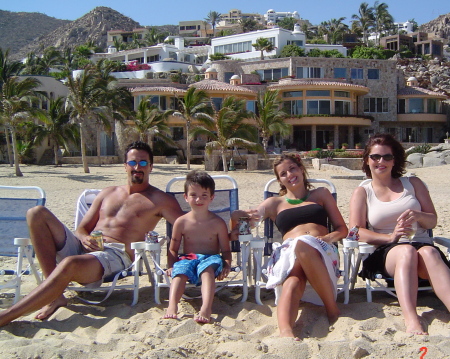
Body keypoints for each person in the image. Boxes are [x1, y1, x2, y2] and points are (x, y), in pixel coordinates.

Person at [0, 141, 183, 327]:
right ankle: (56, 297)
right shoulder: (107, 193)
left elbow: (186, 226)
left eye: (143, 163)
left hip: (115, 255)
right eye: (133, 162)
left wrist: (181, 258)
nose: (138, 167)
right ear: (125, 166)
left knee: (70, 263)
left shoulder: (161, 200)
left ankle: (6, 316)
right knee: (36, 213)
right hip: (84, 247)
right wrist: (84, 237)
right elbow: (81, 229)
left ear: (151, 167)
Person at [231, 153, 347, 340]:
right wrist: (236, 216)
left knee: (303, 244)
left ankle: (332, 309)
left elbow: (343, 229)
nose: (290, 174)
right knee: (293, 280)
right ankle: (286, 331)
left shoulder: (321, 194)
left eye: (292, 168)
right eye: (283, 173)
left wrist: (327, 238)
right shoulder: (274, 203)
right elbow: (244, 226)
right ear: (279, 180)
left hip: (321, 248)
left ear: (301, 169)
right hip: (289, 251)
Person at [349, 133, 450, 335]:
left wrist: (418, 215)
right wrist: (390, 237)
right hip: (388, 252)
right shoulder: (363, 192)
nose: (381, 161)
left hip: (421, 247)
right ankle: (412, 319)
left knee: (429, 253)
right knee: (405, 251)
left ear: (395, 160)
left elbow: (433, 220)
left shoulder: (413, 184)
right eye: (375, 157)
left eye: (387, 157)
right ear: (367, 160)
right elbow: (355, 232)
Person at [163, 170, 231, 324]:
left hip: (211, 257)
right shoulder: (181, 222)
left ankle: (206, 308)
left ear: (212, 197)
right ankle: (172, 306)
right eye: (193, 195)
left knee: (207, 271)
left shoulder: (218, 223)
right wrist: (171, 266)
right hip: (190, 257)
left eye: (204, 195)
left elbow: (226, 250)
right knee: (180, 270)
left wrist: (227, 264)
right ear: (185, 197)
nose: (199, 199)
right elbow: (173, 248)